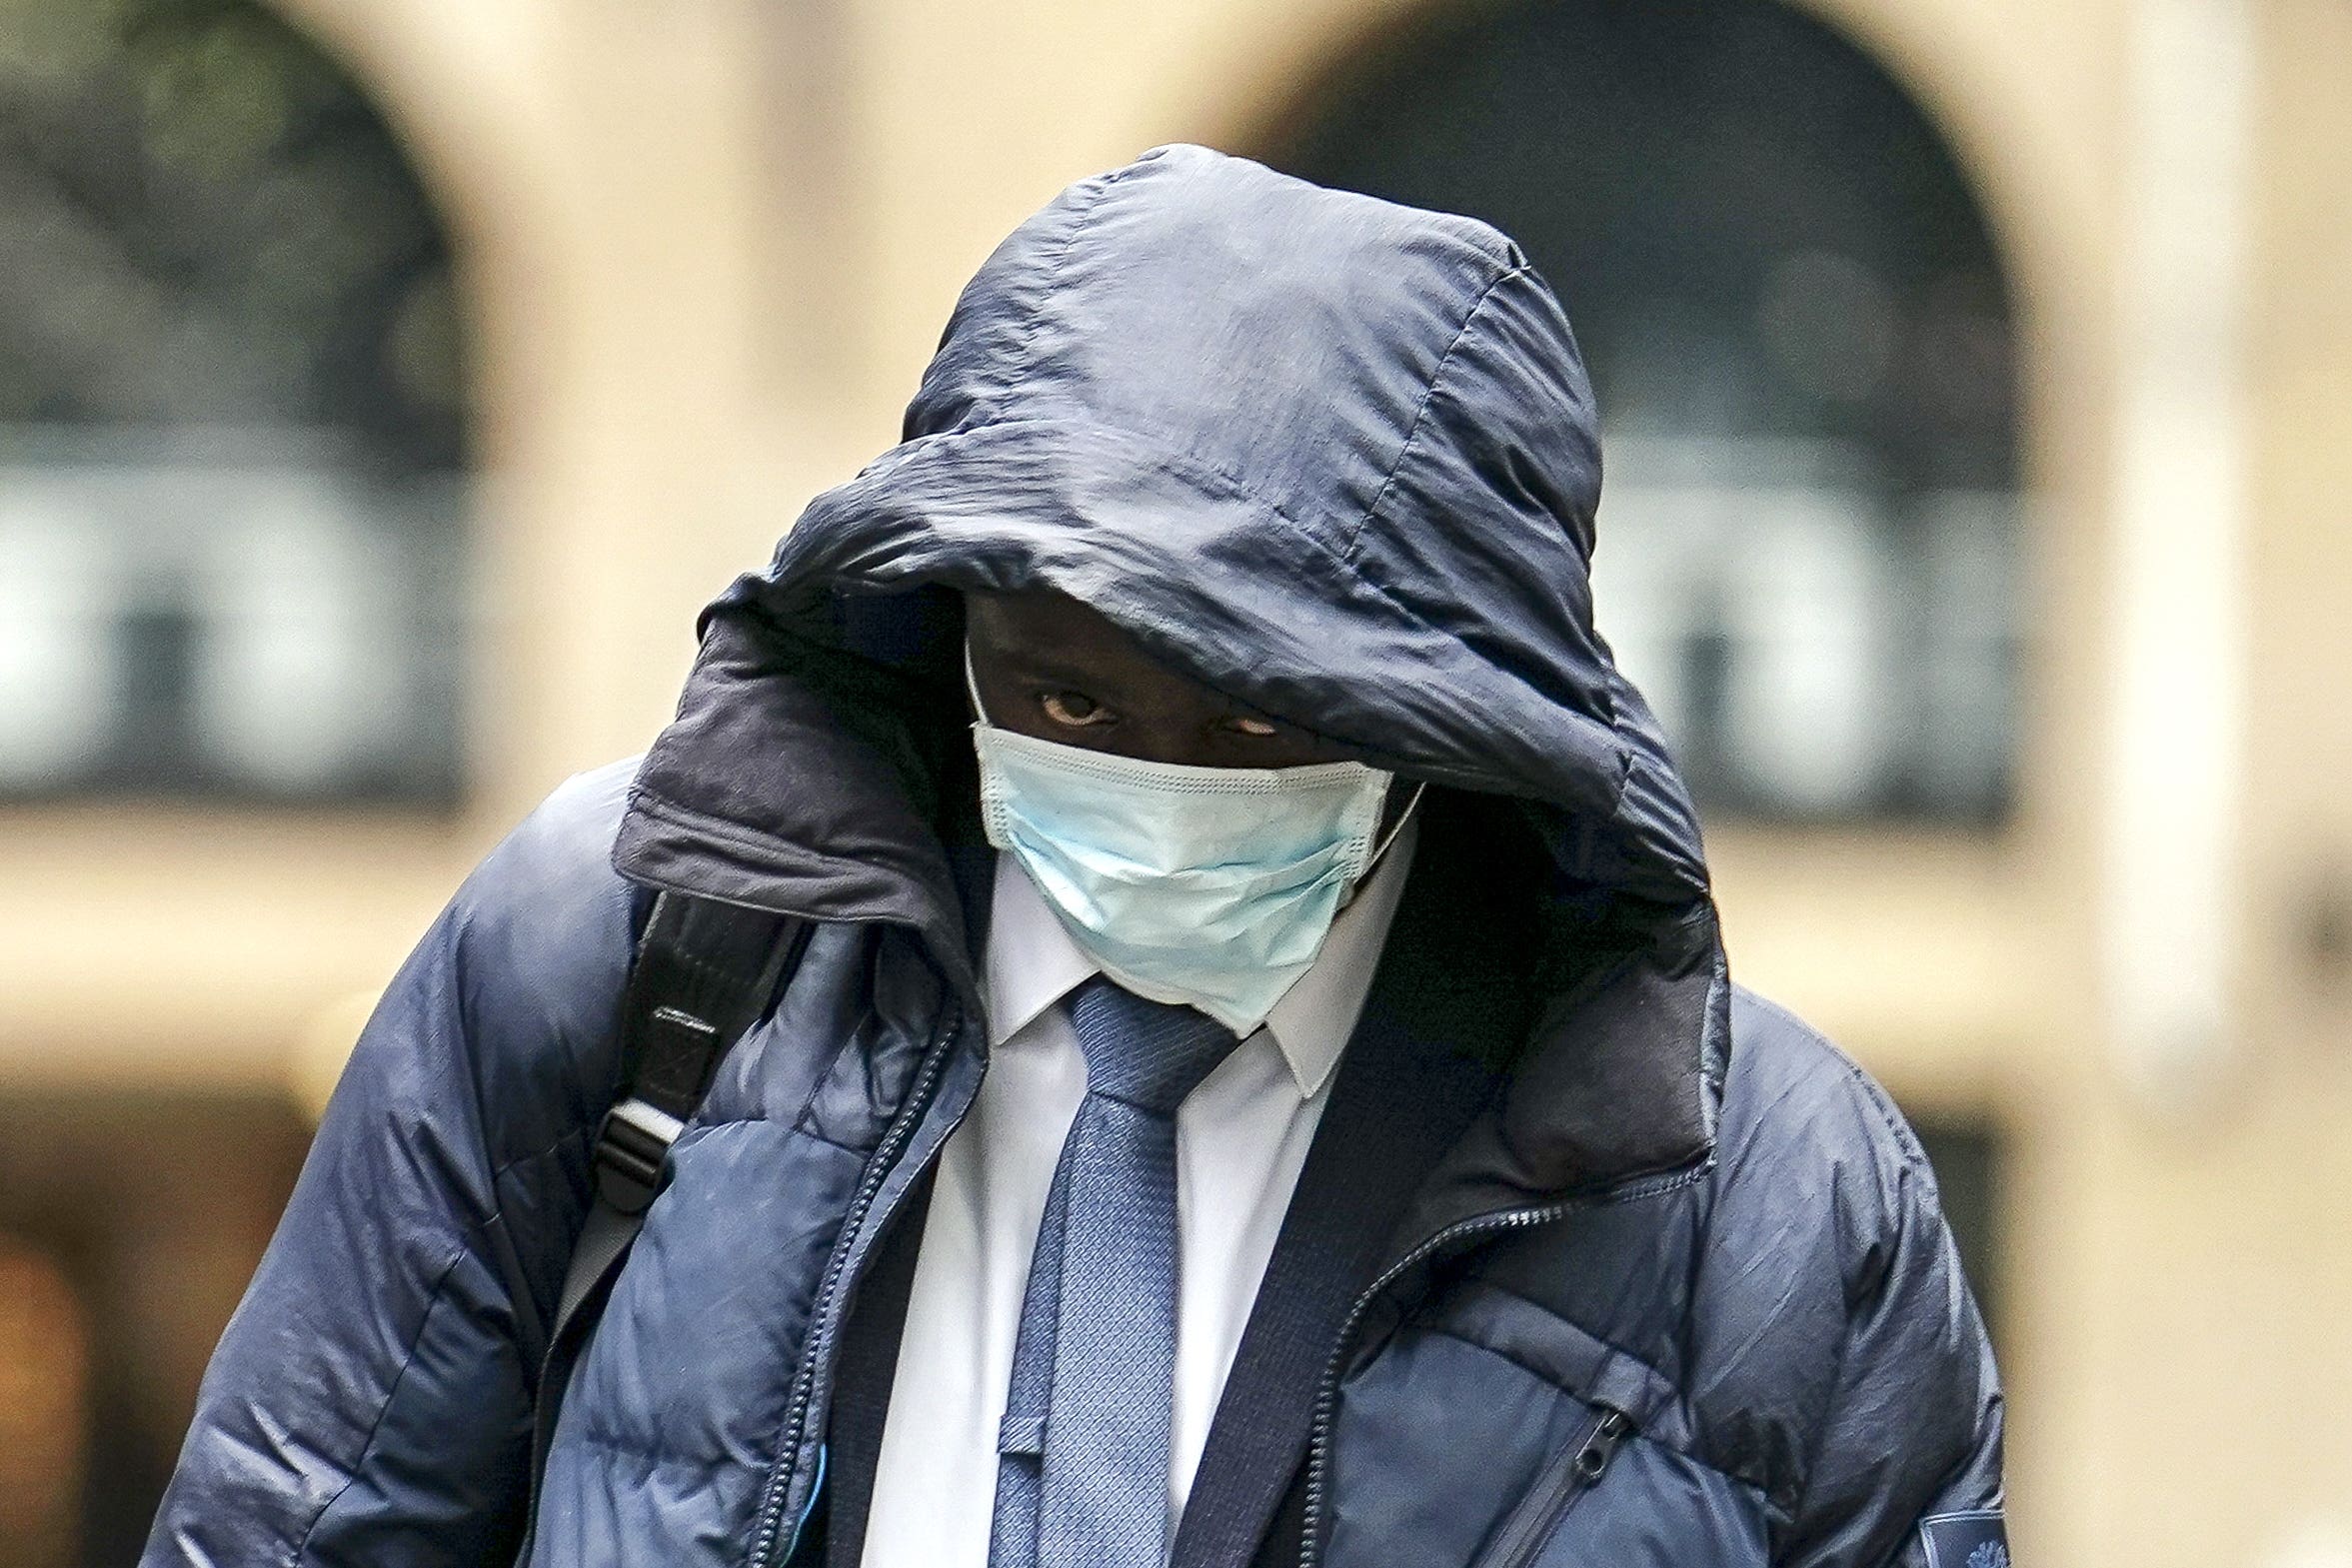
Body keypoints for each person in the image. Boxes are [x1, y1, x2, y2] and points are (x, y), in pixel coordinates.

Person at [143, 145, 2005, 1568]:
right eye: (1071, 701)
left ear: (1462, 728)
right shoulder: (621, 955)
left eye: (1268, 721)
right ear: (944, 628)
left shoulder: (1770, 1204)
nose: (1166, 776)